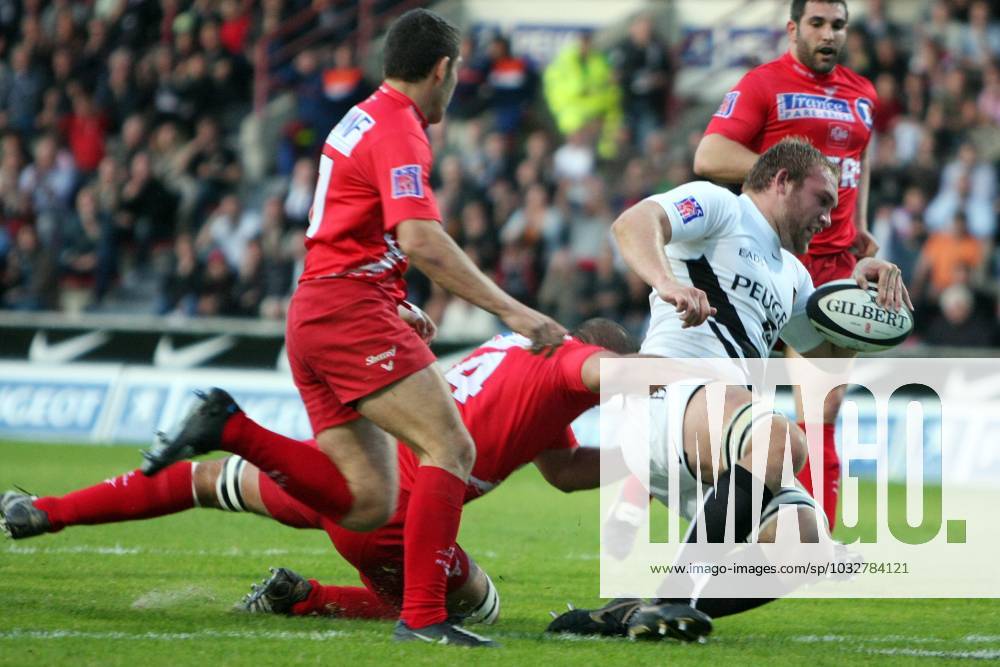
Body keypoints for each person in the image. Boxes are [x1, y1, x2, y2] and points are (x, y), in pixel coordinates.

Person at [140, 9, 565, 648]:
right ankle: (423, 619)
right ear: (443, 70)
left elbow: (355, 227)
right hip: (349, 312)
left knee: (366, 500)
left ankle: (231, 428)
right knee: (451, 447)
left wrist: (392, 296)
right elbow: (420, 237)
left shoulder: (362, 115)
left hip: (320, 305)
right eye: (457, 75)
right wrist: (512, 310)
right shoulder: (402, 129)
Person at [2, 319, 636, 626]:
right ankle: (308, 597)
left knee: (205, 482)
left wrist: (645, 460)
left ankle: (45, 511)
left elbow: (567, 471)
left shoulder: (515, 353)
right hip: (392, 511)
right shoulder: (571, 368)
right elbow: (601, 376)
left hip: (353, 464)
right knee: (479, 606)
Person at [558, 139, 910, 640]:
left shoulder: (794, 275)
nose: (829, 219)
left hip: (719, 445)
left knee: (805, 544)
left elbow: (824, 368)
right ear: (781, 181)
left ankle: (643, 613)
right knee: (780, 438)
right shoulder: (722, 206)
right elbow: (632, 223)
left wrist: (864, 310)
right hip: (666, 401)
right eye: (823, 200)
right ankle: (676, 599)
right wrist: (666, 283)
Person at [691, 0, 879, 530]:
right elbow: (709, 154)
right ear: (793, 28)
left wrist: (859, 223)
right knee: (736, 405)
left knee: (825, 404)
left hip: (834, 264)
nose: (828, 34)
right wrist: (790, 182)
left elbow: (857, 165)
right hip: (765, 260)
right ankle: (680, 509)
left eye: (838, 25)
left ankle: (815, 535)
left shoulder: (862, 94)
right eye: (817, 24)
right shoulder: (762, 84)